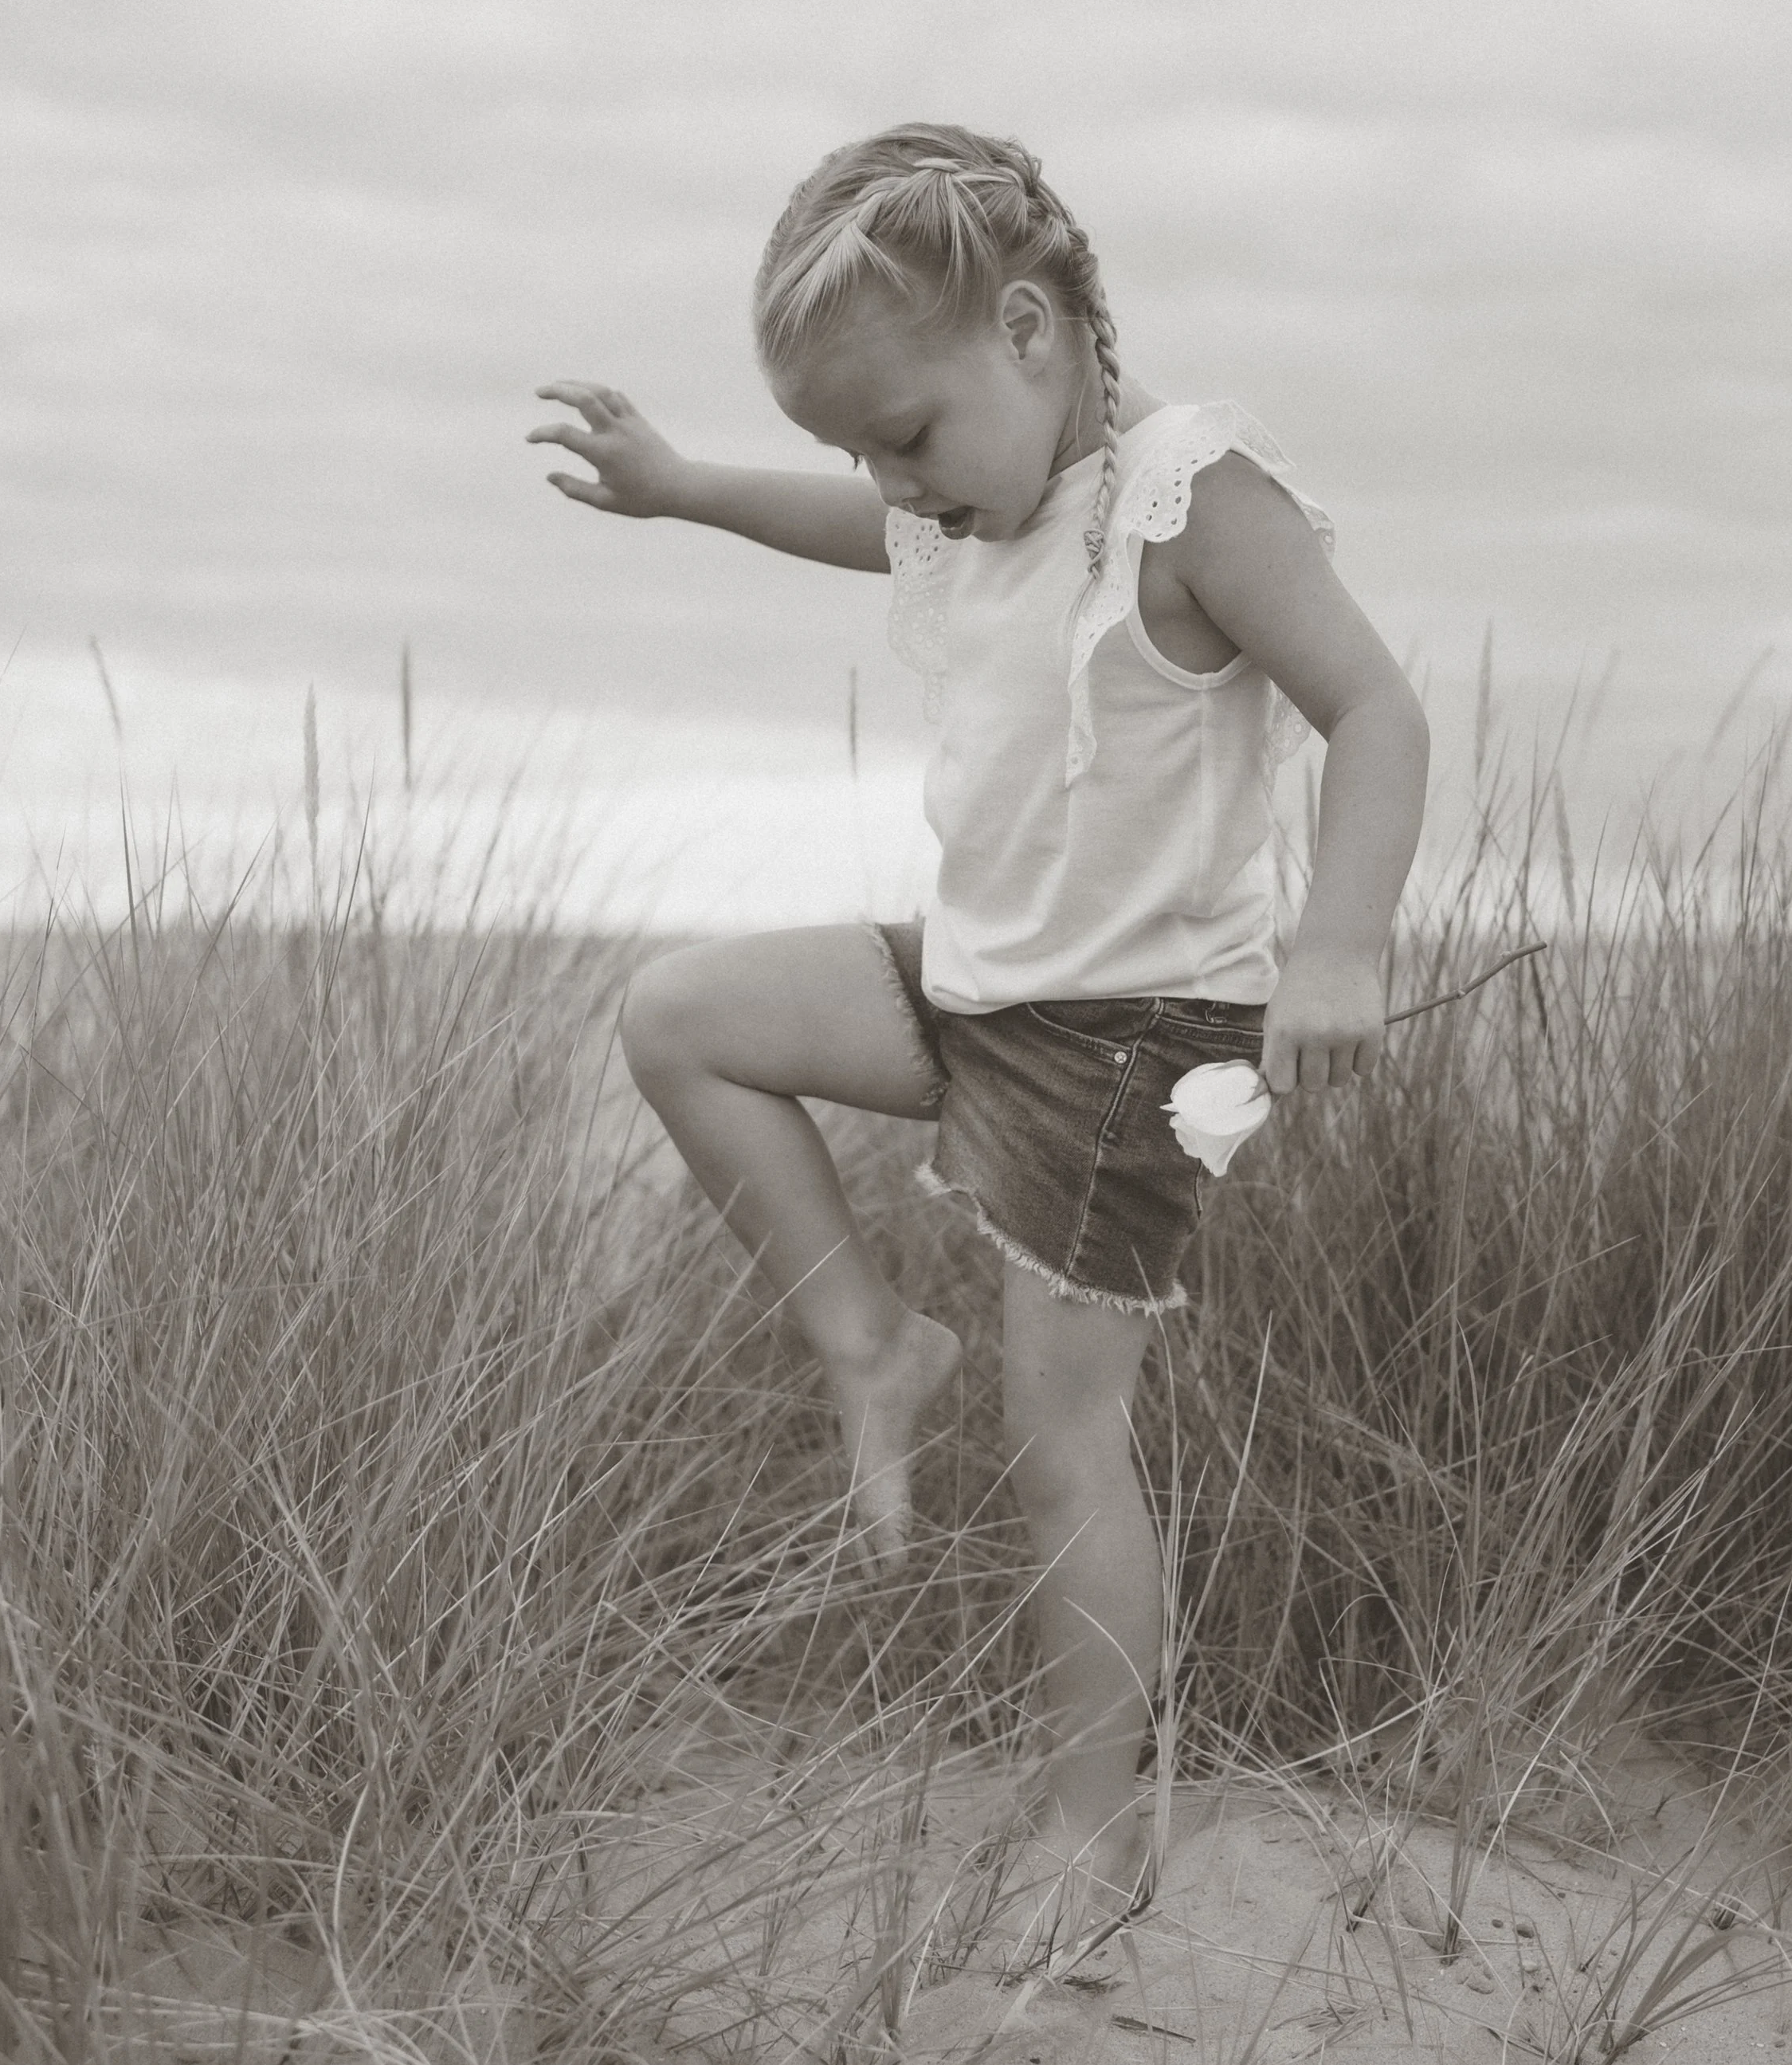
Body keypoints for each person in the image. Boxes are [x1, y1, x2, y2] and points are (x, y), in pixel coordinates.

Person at [528, 122, 1428, 1970]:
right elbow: (846, 522)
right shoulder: (966, 509)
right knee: (680, 1015)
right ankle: (870, 1334)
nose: (891, 489)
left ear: (1029, 331)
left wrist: (1336, 943)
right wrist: (682, 486)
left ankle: (1094, 1841)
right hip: (977, 985)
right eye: (859, 452)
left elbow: (1375, 708)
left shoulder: (1185, 499)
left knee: (1064, 1440)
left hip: (1129, 1042)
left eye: (906, 436)